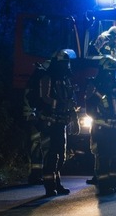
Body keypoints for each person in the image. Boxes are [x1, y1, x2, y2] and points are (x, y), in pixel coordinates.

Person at [26, 49, 79, 197]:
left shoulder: (65, 80)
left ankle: (57, 183)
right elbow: (45, 97)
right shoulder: (47, 78)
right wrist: (60, 104)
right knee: (50, 155)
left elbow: (71, 100)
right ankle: (50, 187)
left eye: (67, 63)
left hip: (61, 123)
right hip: (48, 122)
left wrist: (74, 118)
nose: (66, 66)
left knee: (61, 155)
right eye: (63, 63)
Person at [85, 55, 116, 196]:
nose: (111, 76)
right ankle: (103, 185)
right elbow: (89, 109)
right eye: (109, 72)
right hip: (101, 130)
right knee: (103, 157)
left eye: (113, 72)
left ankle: (112, 184)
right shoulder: (95, 88)